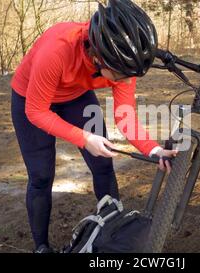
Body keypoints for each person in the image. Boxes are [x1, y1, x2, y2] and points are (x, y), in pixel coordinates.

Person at [10, 0, 177, 253]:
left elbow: (125, 116)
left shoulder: (122, 63)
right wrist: (84, 137)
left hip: (76, 95)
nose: (125, 81)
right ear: (98, 56)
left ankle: (114, 233)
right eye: (120, 75)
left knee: (102, 163)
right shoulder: (57, 49)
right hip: (30, 98)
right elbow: (36, 111)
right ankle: (41, 246)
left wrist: (153, 150)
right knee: (41, 175)